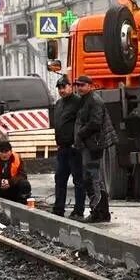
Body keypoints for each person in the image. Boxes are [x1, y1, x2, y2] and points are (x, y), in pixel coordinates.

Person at [73, 75, 118, 223]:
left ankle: (99, 212)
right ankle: (100, 212)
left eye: (82, 85)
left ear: (90, 86)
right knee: (90, 178)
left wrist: (80, 133)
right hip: (89, 144)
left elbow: (95, 123)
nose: (79, 87)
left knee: (94, 179)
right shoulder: (85, 100)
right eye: (77, 85)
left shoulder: (94, 101)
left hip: (94, 145)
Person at [51, 76, 86, 218]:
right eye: (59, 88)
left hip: (74, 148)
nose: (61, 90)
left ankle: (78, 210)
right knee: (60, 179)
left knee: (78, 180)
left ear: (71, 87)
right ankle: (59, 208)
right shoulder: (59, 104)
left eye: (64, 87)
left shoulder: (78, 102)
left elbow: (82, 122)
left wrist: (77, 142)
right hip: (62, 148)